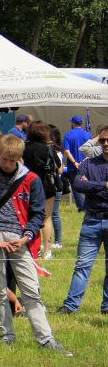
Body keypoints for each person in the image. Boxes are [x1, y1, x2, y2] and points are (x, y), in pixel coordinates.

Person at [0, 135, 71, 355]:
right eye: (4, 159)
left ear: (19, 158)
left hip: (20, 239)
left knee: (31, 290)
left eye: (12, 160)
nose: (7, 164)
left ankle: (46, 339)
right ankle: (7, 335)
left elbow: (38, 214)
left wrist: (26, 237)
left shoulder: (32, 179)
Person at [59, 124, 108, 316]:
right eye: (102, 140)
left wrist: (91, 185)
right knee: (82, 265)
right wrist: (103, 185)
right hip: (92, 221)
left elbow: (85, 185)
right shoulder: (88, 163)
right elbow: (78, 185)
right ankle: (71, 306)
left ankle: (106, 307)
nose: (105, 143)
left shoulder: (88, 166)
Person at [23, 120, 60, 260]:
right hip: (47, 185)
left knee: (29, 216)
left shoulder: (24, 147)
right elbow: (59, 165)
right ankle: (47, 250)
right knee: (47, 217)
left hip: (28, 184)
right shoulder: (48, 148)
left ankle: (32, 247)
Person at [62, 115, 92, 212]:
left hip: (73, 166)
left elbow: (66, 151)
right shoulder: (88, 135)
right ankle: (89, 205)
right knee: (87, 185)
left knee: (76, 187)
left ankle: (82, 207)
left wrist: (75, 162)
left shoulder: (68, 135)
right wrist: (84, 161)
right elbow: (91, 151)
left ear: (73, 123)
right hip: (87, 165)